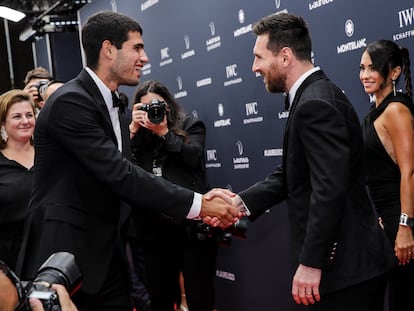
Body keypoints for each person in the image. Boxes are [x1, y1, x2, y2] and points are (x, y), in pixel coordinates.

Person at [16, 11, 238, 311]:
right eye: (136, 47)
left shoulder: (114, 106)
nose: (144, 58)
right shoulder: (71, 101)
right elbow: (121, 175)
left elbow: (129, 171)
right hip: (66, 258)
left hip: (108, 253)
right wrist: (200, 205)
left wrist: (197, 199)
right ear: (108, 49)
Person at [206, 12, 396, 311]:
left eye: (258, 57)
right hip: (352, 267)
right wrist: (240, 202)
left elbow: (329, 189)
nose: (254, 67)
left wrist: (311, 262)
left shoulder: (315, 103)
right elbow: (295, 173)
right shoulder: (313, 96)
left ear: (285, 56)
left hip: (348, 270)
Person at [128, 80, 218, 311]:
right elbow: (125, 172)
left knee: (200, 296)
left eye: (156, 106)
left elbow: (193, 157)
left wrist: (165, 133)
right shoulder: (137, 137)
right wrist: (132, 135)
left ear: (167, 105)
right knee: (160, 297)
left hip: (191, 227)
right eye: (145, 108)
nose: (152, 112)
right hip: (154, 230)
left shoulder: (190, 125)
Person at [359, 40, 414, 311]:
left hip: (405, 226)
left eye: (373, 68)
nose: (365, 75)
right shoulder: (374, 113)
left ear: (393, 72)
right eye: (362, 68)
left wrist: (406, 226)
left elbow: (410, 171)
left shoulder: (396, 110)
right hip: (389, 222)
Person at [0, 90, 36, 271]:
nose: (25, 121)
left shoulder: (51, 156)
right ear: (3, 124)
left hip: (51, 252)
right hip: (10, 260)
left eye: (29, 115)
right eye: (16, 116)